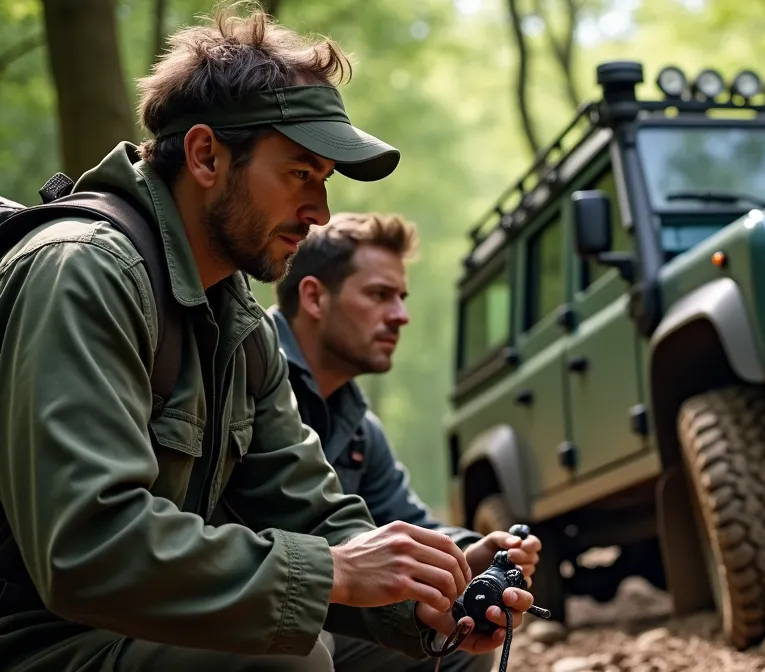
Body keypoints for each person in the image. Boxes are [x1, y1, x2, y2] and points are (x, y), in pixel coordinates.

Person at [0, 5, 532, 671]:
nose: (321, 213)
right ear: (205, 156)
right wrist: (332, 571)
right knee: (289, 661)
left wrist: (429, 601)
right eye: (300, 173)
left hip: (133, 627)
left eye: (325, 182)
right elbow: (87, 549)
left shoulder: (240, 328)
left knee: (441, 653)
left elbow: (312, 508)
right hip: (40, 639)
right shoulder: (83, 270)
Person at [269, 211, 540, 672]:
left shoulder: (357, 425)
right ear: (313, 297)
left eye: (401, 297)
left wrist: (468, 555)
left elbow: (404, 517)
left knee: (458, 638)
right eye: (379, 295)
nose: (401, 315)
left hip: (324, 615)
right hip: (237, 613)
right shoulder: (245, 377)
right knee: (304, 654)